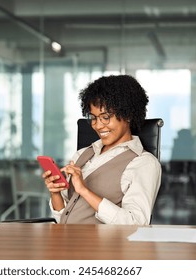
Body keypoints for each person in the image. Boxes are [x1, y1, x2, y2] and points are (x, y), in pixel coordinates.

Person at [42, 74, 161, 224]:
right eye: (93, 118)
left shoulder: (143, 163)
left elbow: (136, 223)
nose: (97, 125)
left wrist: (85, 191)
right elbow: (63, 218)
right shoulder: (82, 154)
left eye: (105, 117)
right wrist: (55, 193)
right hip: (67, 241)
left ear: (128, 115)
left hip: (103, 246)